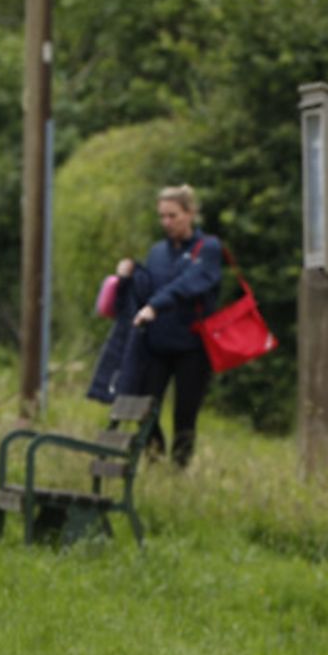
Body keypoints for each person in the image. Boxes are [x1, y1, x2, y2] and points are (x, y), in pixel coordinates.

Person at [117, 185, 223, 467]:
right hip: (157, 344)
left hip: (193, 347)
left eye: (173, 215)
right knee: (145, 409)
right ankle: (154, 458)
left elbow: (189, 284)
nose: (167, 222)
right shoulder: (157, 253)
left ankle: (178, 471)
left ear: (190, 214)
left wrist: (155, 306)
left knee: (185, 415)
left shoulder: (208, 249)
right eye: (162, 216)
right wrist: (131, 274)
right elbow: (146, 289)